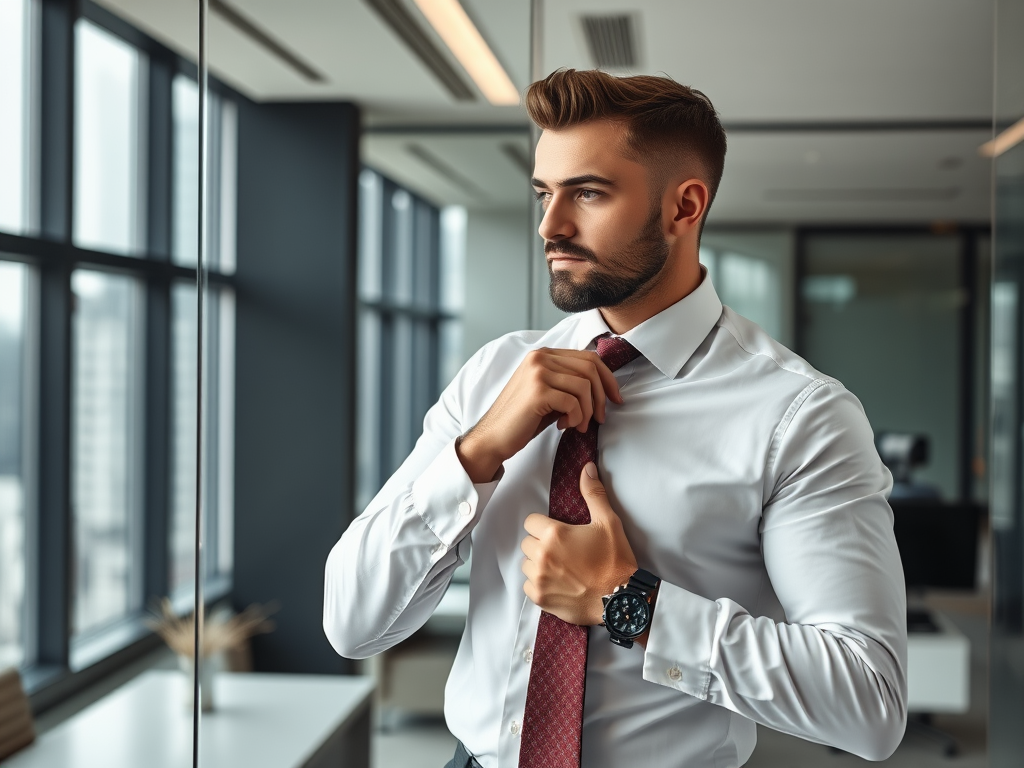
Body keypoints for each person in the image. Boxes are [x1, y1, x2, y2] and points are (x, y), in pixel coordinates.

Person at [323, 69, 907, 768]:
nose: (550, 226)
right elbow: (351, 625)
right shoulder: (494, 375)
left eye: (588, 193)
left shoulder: (798, 415)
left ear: (683, 206)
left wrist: (628, 603)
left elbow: (870, 705)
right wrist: (475, 454)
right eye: (544, 193)